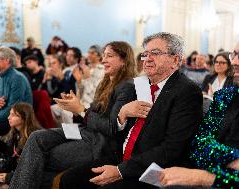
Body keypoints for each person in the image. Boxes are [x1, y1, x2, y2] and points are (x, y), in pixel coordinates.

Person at [58, 32, 203, 189]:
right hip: (122, 156)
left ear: (175, 60)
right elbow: (117, 129)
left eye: (155, 53)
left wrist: (120, 171)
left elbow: (172, 149)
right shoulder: (139, 85)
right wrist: (123, 114)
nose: (147, 59)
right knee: (69, 179)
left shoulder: (186, 91)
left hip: (155, 168)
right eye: (145, 54)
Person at [9, 41, 138, 189]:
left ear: (123, 60)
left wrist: (81, 110)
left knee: (40, 155)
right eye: (103, 56)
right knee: (36, 137)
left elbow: (112, 127)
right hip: (84, 131)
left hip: (99, 143)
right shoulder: (106, 83)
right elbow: (92, 114)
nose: (103, 60)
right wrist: (74, 108)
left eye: (109, 56)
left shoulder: (127, 87)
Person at [158, 42, 239, 189]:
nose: (234, 61)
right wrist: (235, 159)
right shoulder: (225, 96)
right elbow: (199, 145)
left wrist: (203, 178)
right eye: (234, 55)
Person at [0, 103, 41, 186]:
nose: (8, 117)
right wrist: (1, 163)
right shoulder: (15, 133)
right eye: (9, 114)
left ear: (24, 118)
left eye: (13, 115)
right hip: (20, 173)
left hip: (34, 180)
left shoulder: (34, 138)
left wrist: (10, 177)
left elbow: (33, 171)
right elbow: (11, 156)